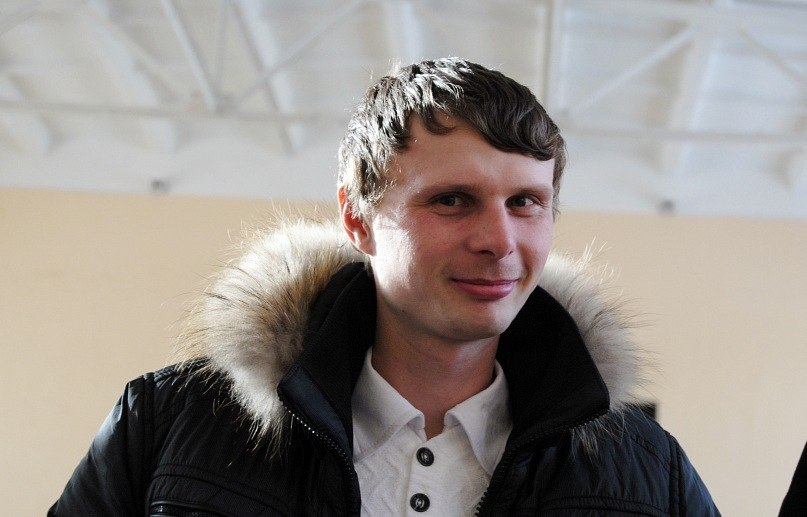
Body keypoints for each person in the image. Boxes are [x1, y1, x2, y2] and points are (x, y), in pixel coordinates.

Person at [50, 57, 718, 515]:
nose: (500, 240)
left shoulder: (646, 470)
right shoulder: (169, 422)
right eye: (452, 200)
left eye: (525, 202)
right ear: (356, 218)